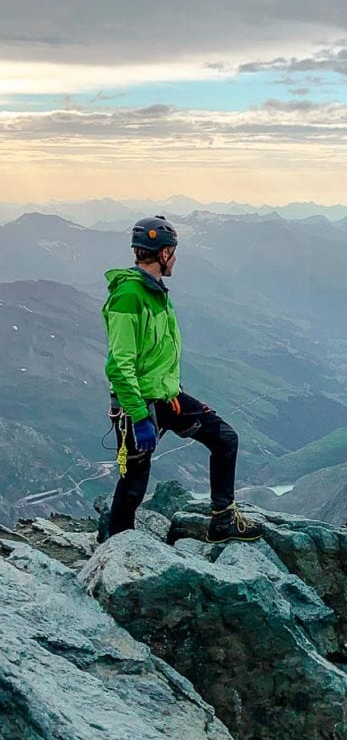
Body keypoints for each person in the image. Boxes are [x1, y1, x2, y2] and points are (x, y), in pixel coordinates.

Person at [102, 215, 262, 544]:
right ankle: (116, 548)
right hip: (140, 407)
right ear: (162, 253)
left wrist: (176, 391)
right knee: (133, 483)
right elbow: (120, 364)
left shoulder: (156, 293)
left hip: (168, 398)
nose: (175, 258)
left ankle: (222, 521)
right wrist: (139, 415)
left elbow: (157, 354)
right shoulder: (128, 297)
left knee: (225, 439)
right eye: (172, 251)